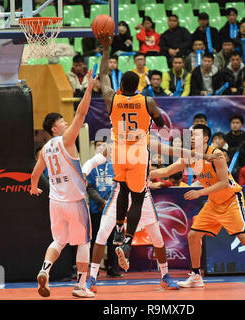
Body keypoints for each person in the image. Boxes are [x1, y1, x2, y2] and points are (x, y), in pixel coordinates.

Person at [150, 124, 245, 289]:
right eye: (190, 136)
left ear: (206, 138)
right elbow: (168, 170)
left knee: (244, 237)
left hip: (230, 200)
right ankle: (197, 276)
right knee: (193, 236)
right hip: (213, 202)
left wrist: (199, 193)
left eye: (195, 136)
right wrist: (149, 173)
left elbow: (223, 184)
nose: (191, 138)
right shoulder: (191, 156)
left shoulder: (216, 154)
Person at [96, 32, 166, 271]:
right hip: (139, 153)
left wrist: (106, 48)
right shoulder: (147, 101)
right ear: (138, 86)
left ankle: (118, 228)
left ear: (122, 85)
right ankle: (126, 240)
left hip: (120, 151)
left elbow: (103, 75)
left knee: (122, 188)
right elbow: (161, 123)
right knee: (137, 197)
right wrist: (157, 121)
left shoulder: (112, 98)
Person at [29, 70, 96, 298]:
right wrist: (88, 88)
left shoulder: (45, 149)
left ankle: (44, 269)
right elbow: (82, 112)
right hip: (75, 202)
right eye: (62, 122)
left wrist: (34, 186)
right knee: (83, 242)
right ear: (55, 129)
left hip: (55, 202)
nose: (67, 123)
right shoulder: (66, 140)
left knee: (58, 240)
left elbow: (35, 173)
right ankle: (80, 286)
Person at [86, 167, 180, 292]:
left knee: (157, 238)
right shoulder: (119, 148)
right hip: (119, 195)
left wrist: (193, 156)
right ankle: (92, 278)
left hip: (143, 197)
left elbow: (165, 169)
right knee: (102, 233)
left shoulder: (144, 150)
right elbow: (100, 157)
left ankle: (165, 276)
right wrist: (85, 170)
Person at [84, 140, 121, 278]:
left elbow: (118, 185)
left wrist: (111, 202)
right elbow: (89, 187)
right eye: (98, 144)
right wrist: (101, 201)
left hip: (113, 208)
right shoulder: (91, 166)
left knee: (113, 239)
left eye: (103, 144)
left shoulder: (114, 165)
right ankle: (95, 268)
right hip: (97, 208)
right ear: (94, 148)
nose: (101, 147)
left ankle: (112, 267)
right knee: (95, 240)